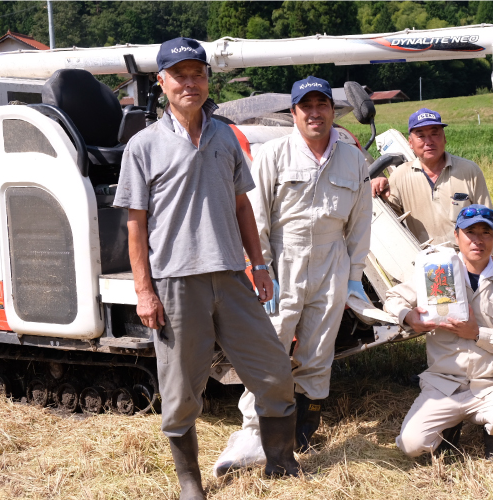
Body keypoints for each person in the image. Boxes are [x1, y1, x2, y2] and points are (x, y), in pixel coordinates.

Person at [114, 37, 300, 496]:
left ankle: (281, 462)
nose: (190, 83)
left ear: (207, 79)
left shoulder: (224, 136)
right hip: (176, 284)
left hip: (232, 276)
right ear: (162, 82)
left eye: (197, 73)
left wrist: (258, 265)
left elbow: (242, 208)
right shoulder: (143, 146)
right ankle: (190, 481)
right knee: (180, 396)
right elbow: (135, 228)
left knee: (274, 373)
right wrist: (144, 290)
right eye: (179, 75)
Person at [236, 75, 373, 454]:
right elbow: (257, 219)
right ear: (293, 113)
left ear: (332, 110)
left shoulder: (353, 158)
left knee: (318, 350)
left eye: (321, 105)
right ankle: (254, 427)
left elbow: (360, 222)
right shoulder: (273, 155)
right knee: (271, 347)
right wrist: (259, 269)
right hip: (284, 261)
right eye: (306, 107)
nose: (315, 113)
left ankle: (305, 424)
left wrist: (354, 276)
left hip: (333, 262)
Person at [384, 205, 493, 460]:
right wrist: (408, 317)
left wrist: (478, 334)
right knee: (411, 445)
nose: (477, 240)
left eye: (486, 233)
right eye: (470, 232)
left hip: (489, 385)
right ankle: (449, 426)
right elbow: (392, 298)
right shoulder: (437, 275)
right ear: (457, 237)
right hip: (443, 385)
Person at [370, 108, 492, 248]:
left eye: (435, 134)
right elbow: (389, 221)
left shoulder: (469, 171)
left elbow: (487, 218)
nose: (429, 141)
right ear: (410, 142)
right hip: (424, 261)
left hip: (465, 260)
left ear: (444, 138)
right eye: (421, 136)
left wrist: (490, 257)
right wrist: (379, 189)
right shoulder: (400, 176)